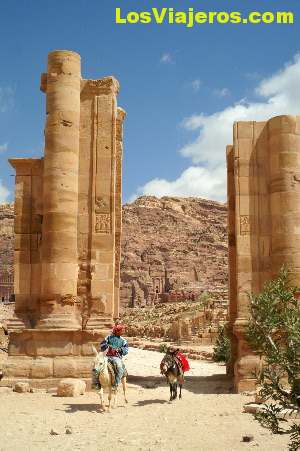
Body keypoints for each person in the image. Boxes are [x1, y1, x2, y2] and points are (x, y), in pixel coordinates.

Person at [100, 324, 128, 390]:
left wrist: (120, 349)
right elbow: (102, 344)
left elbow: (126, 350)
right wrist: (107, 346)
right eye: (122, 330)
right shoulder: (108, 337)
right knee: (98, 366)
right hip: (107, 356)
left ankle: (116, 384)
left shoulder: (123, 340)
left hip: (116, 357)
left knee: (120, 368)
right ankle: (96, 383)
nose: (123, 332)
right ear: (117, 331)